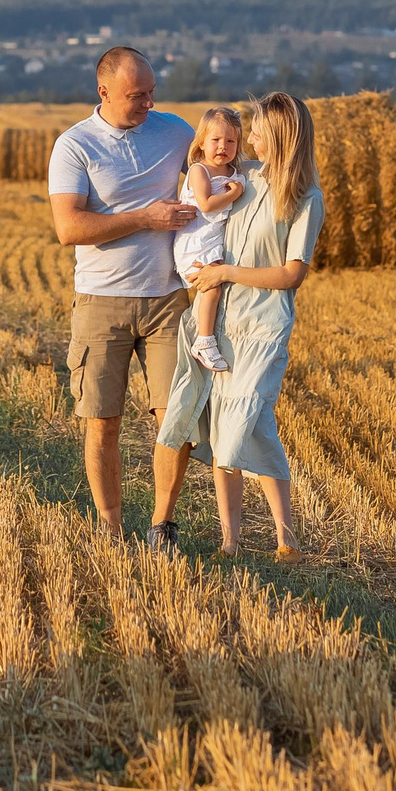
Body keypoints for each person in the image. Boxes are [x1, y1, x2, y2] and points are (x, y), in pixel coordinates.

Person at [149, 92, 324, 561]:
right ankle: (234, 540)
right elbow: (201, 190)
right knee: (229, 424)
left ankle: (285, 535)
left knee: (246, 421)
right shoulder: (241, 175)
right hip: (223, 319)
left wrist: (224, 273)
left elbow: (292, 275)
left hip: (264, 324)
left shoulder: (305, 196)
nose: (250, 136)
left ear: (280, 133)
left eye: (259, 128)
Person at [47, 46, 195, 535]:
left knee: (177, 419)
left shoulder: (176, 132)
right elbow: (69, 228)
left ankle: (161, 527)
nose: (149, 104)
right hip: (100, 302)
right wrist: (145, 218)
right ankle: (110, 531)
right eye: (137, 96)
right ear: (103, 92)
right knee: (102, 421)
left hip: (168, 300)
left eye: (152, 93)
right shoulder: (74, 146)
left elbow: (221, 168)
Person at [174, 107, 250, 373]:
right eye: (216, 140)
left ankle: (209, 334)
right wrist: (235, 193)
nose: (223, 147)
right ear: (202, 143)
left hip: (214, 240)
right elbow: (206, 205)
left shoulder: (234, 170)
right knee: (212, 288)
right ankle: (203, 342)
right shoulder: (199, 170)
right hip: (196, 241)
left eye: (231, 141)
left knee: (220, 290)